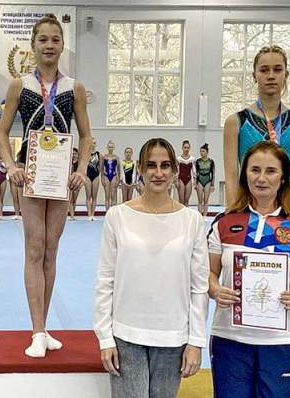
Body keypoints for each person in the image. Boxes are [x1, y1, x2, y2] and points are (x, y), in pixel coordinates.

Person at [0, 13, 94, 357]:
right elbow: (1, 133)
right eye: (43, 40)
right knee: (34, 249)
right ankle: (36, 330)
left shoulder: (74, 88)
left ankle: (45, 326)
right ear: (33, 46)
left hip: (61, 177)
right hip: (32, 175)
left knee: (52, 250)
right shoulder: (19, 85)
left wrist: (81, 169)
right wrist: (11, 166)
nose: (49, 45)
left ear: (63, 45)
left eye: (55, 39)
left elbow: (87, 136)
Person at [206, 140, 290, 398]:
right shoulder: (224, 221)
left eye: (270, 171)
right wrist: (214, 289)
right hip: (230, 339)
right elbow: (208, 273)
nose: (261, 178)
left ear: (283, 177)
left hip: (282, 343)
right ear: (245, 174)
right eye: (255, 170)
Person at [94, 138, 206, 397]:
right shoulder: (117, 217)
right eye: (151, 165)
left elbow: (199, 287)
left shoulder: (192, 221)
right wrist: (105, 337)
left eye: (165, 165)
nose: (158, 173)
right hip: (126, 334)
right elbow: (105, 280)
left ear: (175, 170)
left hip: (173, 337)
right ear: (140, 169)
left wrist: (196, 341)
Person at [223, 45, 290, 211]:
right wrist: (234, 216)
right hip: (246, 210)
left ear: (286, 75)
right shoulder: (235, 122)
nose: (271, 76)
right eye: (264, 70)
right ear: (254, 75)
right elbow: (231, 176)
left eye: (277, 70)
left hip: (285, 211)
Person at [194, 144, 215, 217]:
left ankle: (205, 217)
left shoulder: (211, 161)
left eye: (203, 151)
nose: (201, 153)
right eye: (200, 151)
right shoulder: (198, 161)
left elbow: (213, 174)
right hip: (200, 180)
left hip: (208, 181)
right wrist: (196, 183)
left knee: (206, 200)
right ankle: (199, 216)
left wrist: (212, 185)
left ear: (207, 152)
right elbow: (196, 173)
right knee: (200, 200)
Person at [84, 138, 101, 221]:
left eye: (94, 143)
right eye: (91, 143)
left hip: (96, 176)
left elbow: (100, 167)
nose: (93, 144)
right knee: (88, 196)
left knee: (94, 197)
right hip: (87, 176)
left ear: (96, 144)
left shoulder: (98, 154)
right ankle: (89, 214)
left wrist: (98, 175)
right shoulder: (86, 154)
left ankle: (93, 214)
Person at [175, 140, 195, 206]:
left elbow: (194, 171)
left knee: (186, 200)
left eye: (188, 148)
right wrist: (176, 181)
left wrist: (195, 180)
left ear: (190, 148)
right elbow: (176, 171)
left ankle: (186, 212)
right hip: (181, 179)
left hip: (188, 180)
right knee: (181, 200)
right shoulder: (178, 159)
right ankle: (181, 212)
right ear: (182, 148)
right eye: (185, 147)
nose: (186, 149)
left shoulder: (192, 159)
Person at [102, 140, 120, 210]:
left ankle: (112, 212)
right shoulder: (104, 157)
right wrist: (102, 178)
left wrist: (118, 179)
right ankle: (107, 212)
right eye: (109, 147)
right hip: (106, 176)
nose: (110, 148)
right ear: (107, 148)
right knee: (107, 196)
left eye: (112, 147)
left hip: (114, 176)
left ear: (114, 148)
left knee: (113, 196)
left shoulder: (116, 157)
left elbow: (118, 169)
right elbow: (101, 169)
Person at [67, 147, 80, 220]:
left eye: (75, 154)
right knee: (71, 200)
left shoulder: (79, 163)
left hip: (77, 182)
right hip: (70, 182)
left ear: (78, 154)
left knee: (74, 200)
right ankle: (71, 216)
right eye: (73, 154)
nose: (74, 155)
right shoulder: (69, 162)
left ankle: (73, 215)